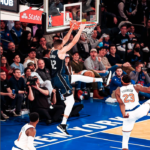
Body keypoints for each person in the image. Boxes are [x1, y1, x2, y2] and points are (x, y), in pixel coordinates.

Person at [50, 24, 104, 135]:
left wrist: (71, 28)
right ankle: (63, 124)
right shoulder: (60, 52)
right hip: (60, 79)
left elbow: (64, 40)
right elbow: (73, 42)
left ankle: (101, 80)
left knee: (78, 77)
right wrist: (80, 29)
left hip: (60, 77)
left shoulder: (52, 51)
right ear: (61, 46)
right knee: (71, 102)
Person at [115, 74, 150, 150]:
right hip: (139, 111)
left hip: (128, 114)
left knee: (125, 139)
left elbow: (121, 104)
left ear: (122, 80)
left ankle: (125, 147)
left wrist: (124, 114)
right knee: (148, 103)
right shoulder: (135, 86)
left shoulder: (117, 91)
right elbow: (148, 90)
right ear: (130, 80)